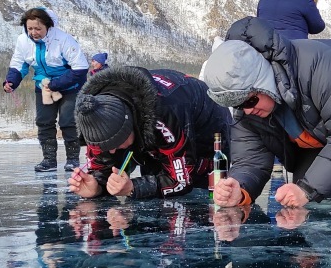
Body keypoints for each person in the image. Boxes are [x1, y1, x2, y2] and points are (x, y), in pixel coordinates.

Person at [200, 16, 331, 208]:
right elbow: (250, 159)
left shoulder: (319, 65)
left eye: (251, 100)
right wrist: (240, 189)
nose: (247, 110)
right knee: (306, 189)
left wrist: (307, 190)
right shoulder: (249, 110)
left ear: (264, 82)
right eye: (237, 105)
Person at [68, 65, 231, 200]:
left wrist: (134, 187)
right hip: (148, 126)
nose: (111, 150)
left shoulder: (165, 115)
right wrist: (96, 186)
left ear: (130, 126)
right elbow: (104, 165)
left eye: (116, 143)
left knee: (202, 193)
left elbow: (180, 181)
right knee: (152, 180)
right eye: (105, 146)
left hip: (207, 128)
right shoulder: (96, 117)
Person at [3, 7, 89, 172]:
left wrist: (57, 84)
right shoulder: (23, 41)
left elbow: (80, 68)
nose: (33, 32)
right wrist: (11, 81)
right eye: (30, 28)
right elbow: (19, 64)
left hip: (70, 86)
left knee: (67, 122)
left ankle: (72, 159)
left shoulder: (63, 40)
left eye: (38, 28)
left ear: (48, 27)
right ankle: (49, 160)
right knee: (44, 122)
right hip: (44, 86)